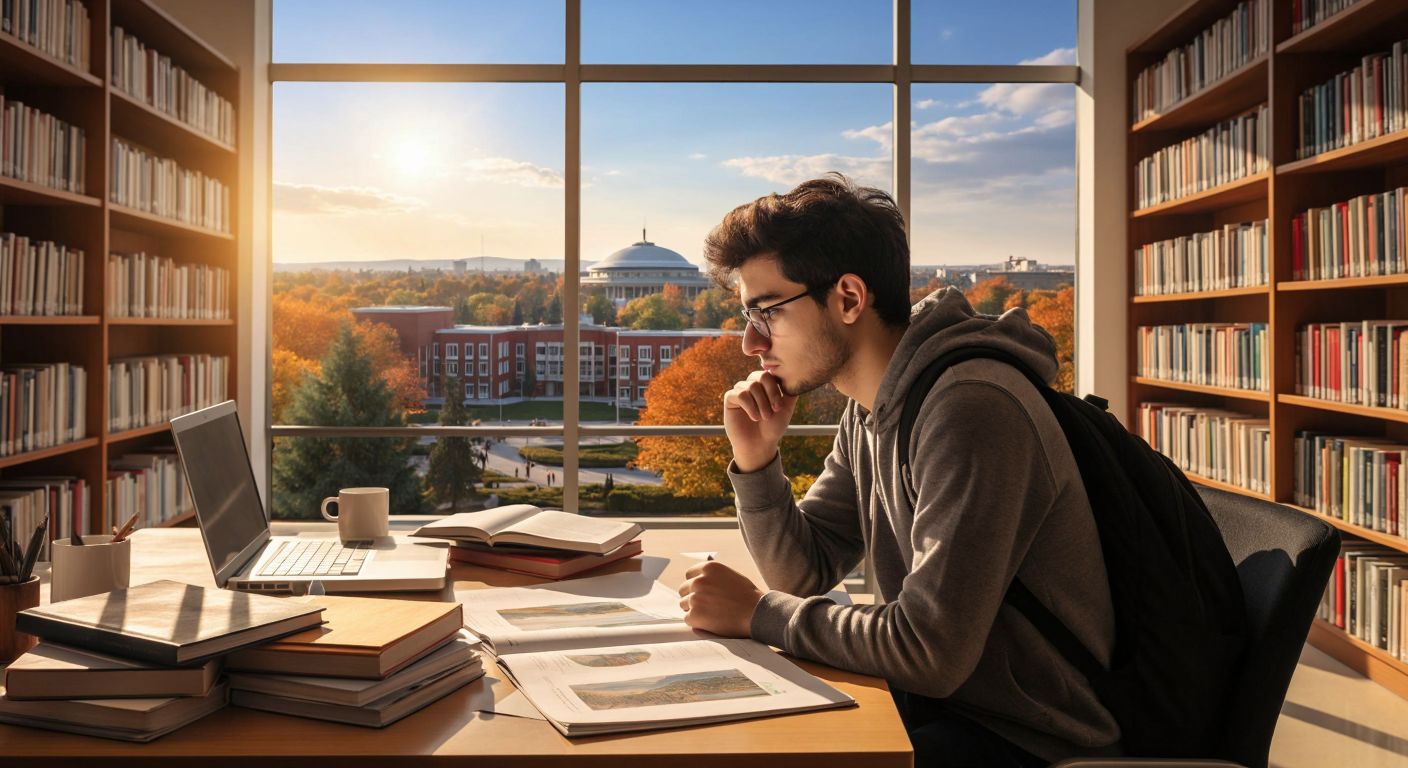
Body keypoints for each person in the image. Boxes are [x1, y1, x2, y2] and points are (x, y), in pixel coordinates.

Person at [675, 174, 1117, 766]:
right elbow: (802, 573)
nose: (752, 344)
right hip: (940, 708)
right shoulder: (873, 408)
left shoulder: (972, 409)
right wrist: (757, 461)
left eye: (767, 312)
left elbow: (928, 650)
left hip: (1025, 739)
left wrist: (756, 613)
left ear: (850, 298)